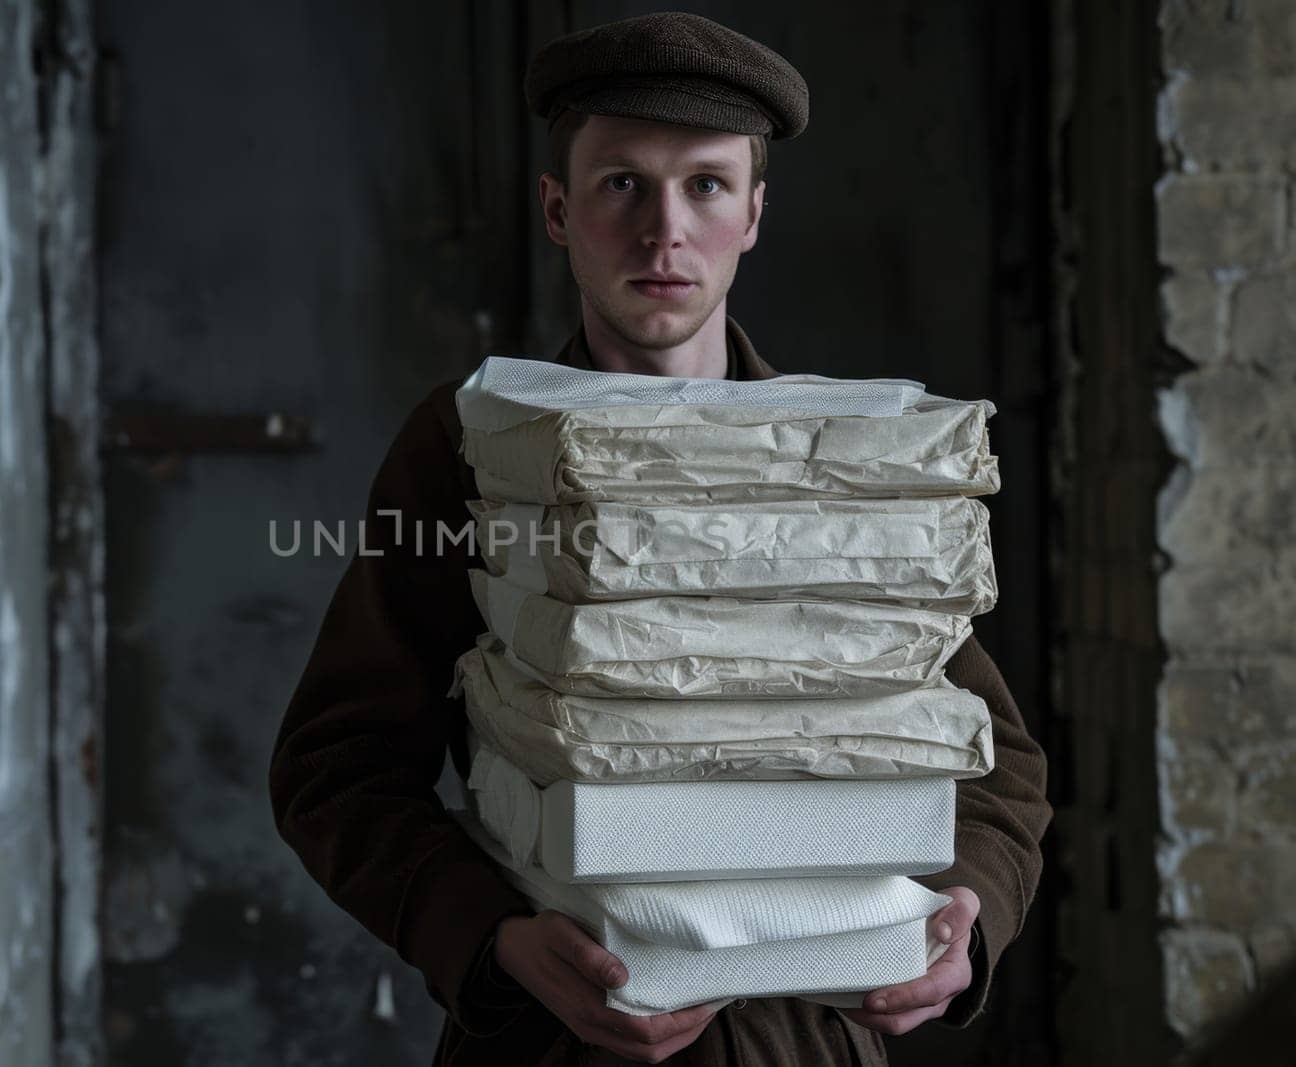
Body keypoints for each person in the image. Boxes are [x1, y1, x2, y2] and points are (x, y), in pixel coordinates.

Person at [269, 12, 1051, 1065]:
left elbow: (992, 758)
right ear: (558, 207)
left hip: (802, 1042)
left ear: (755, 212)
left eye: (706, 185)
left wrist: (969, 913)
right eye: (622, 183)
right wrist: (494, 939)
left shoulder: (844, 461)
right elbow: (338, 762)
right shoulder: (471, 451)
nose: (663, 231)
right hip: (555, 1039)